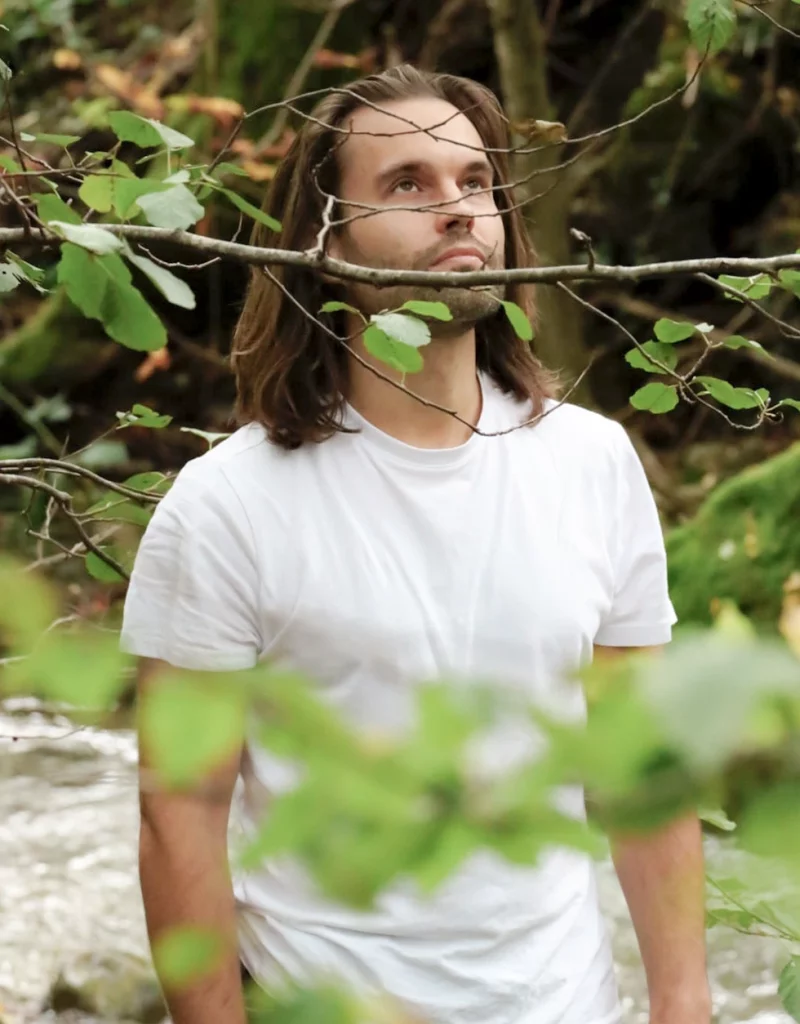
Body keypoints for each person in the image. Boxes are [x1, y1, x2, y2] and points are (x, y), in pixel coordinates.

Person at [120, 64, 711, 1024]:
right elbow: (177, 813)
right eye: (407, 184)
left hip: (565, 1003)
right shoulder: (228, 503)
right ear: (326, 236)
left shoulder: (592, 464)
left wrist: (685, 1004)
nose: (458, 211)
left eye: (474, 182)